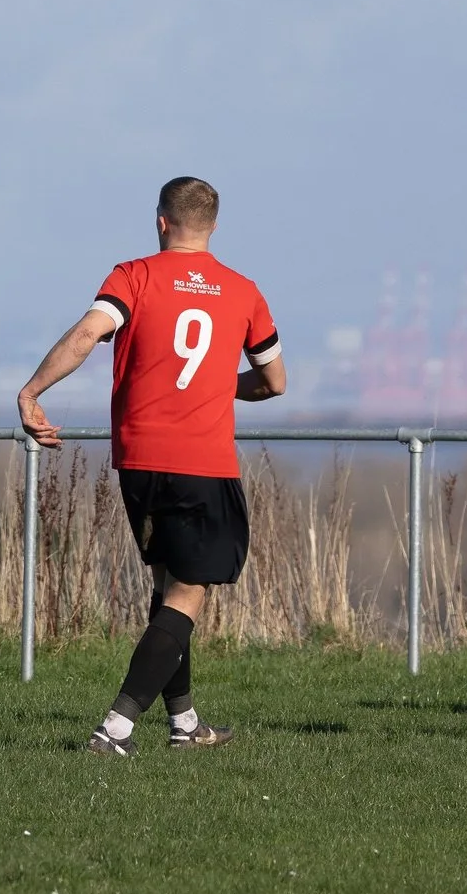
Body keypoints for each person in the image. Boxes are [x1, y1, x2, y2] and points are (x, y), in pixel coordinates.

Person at [17, 176, 285, 755]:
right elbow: (274, 381)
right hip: (203, 463)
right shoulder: (243, 291)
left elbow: (90, 332)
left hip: (138, 459)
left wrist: (32, 391)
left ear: (162, 222)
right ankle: (116, 728)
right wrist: (219, 385)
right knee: (188, 593)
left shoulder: (132, 276)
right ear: (213, 228)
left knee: (166, 585)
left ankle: (185, 725)